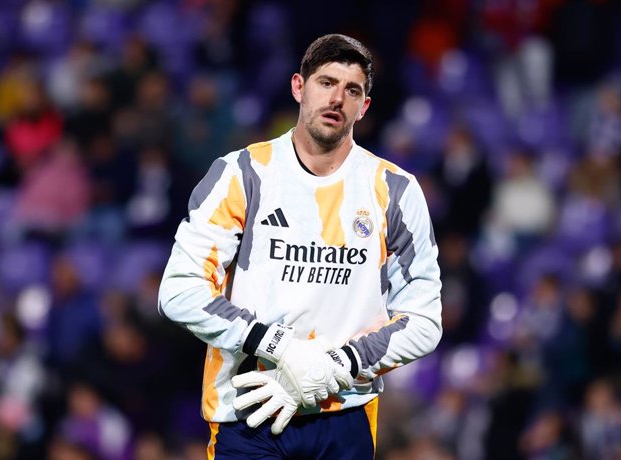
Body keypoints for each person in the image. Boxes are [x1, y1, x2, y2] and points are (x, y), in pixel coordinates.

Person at [158, 33, 442, 459]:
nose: (337, 98)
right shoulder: (242, 174)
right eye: (326, 82)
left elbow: (424, 320)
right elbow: (179, 291)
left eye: (352, 90)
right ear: (298, 87)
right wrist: (281, 347)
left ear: (364, 106)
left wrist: (336, 365)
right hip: (248, 410)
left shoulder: (393, 190)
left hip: (346, 412)